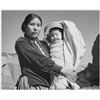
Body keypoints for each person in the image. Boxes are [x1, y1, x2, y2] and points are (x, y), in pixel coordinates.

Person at [15, 13, 74, 90]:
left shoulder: (44, 44)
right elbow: (40, 59)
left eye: (38, 25)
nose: (35, 28)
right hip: (31, 84)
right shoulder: (22, 43)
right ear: (25, 26)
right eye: (32, 24)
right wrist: (62, 70)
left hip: (47, 86)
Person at [44, 21, 86, 89]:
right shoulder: (49, 45)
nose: (54, 37)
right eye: (52, 35)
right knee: (55, 84)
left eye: (57, 34)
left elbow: (71, 34)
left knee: (61, 83)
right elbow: (45, 39)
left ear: (62, 35)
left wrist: (62, 23)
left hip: (64, 66)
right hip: (54, 68)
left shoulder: (65, 44)